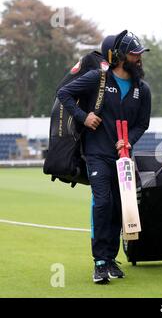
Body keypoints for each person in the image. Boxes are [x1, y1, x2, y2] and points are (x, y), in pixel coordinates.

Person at [57, 30, 151, 284]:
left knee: (120, 208)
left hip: (123, 157)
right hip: (97, 154)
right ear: (120, 56)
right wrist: (83, 116)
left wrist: (129, 139)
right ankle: (99, 262)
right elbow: (63, 93)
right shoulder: (97, 79)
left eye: (140, 54)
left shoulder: (142, 90)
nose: (139, 58)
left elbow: (143, 123)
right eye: (134, 54)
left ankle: (110, 258)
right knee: (102, 202)